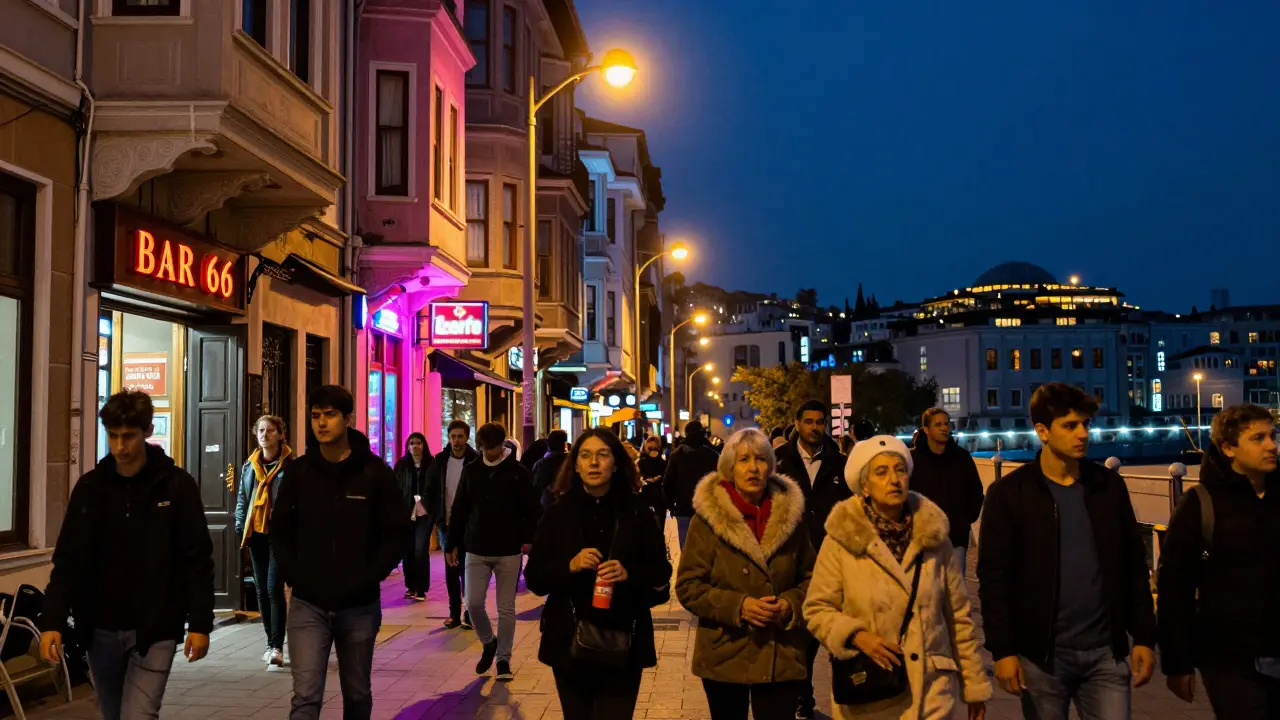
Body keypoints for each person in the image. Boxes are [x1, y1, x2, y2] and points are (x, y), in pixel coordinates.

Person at [977, 382, 1156, 718]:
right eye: (1070, 426)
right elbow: (994, 578)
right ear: (1042, 431)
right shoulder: (1009, 494)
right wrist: (1003, 651)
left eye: (1086, 425)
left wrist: (1144, 636)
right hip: (1042, 657)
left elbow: (1133, 565)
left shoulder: (1108, 487)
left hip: (1106, 652)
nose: (1083, 435)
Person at [39, 391, 214, 720]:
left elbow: (197, 558)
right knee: (113, 714)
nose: (120, 446)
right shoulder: (91, 488)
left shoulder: (176, 487)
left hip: (156, 626)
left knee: (139, 714)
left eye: (129, 436)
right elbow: (68, 561)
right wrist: (53, 621)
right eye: (113, 436)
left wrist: (200, 623)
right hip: (100, 627)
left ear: (147, 431)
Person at [804, 435, 991, 720]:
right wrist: (857, 636)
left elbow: (958, 616)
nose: (894, 479)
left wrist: (974, 684)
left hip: (931, 693)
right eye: (882, 472)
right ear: (864, 486)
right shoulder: (842, 539)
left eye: (900, 470)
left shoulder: (933, 536)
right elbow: (816, 609)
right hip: (870, 695)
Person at [271, 385, 409, 720]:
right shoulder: (299, 472)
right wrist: (294, 574)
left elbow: (395, 534)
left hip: (358, 605)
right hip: (308, 603)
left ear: (348, 419)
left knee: (357, 694)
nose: (321, 423)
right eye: (316, 415)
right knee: (305, 697)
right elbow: (281, 530)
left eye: (330, 415)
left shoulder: (374, 473)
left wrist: (367, 576)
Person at [525, 429, 672, 719]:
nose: (594, 462)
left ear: (616, 463)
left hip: (624, 640)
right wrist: (570, 566)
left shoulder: (638, 512)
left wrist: (628, 573)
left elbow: (661, 576)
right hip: (568, 641)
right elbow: (535, 578)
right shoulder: (557, 514)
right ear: (575, 464)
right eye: (586, 455)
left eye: (602, 455)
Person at [676, 428, 816, 720]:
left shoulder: (792, 517)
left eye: (761, 459)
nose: (753, 468)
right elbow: (689, 586)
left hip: (781, 651)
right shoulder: (708, 520)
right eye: (744, 460)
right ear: (730, 467)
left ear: (771, 466)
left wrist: (790, 604)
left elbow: (814, 579)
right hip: (725, 650)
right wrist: (739, 606)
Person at [1158, 404, 1280, 718]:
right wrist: (1178, 663)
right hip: (1230, 659)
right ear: (1228, 448)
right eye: (1258, 438)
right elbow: (1175, 587)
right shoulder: (1201, 503)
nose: (1272, 445)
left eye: (1273, 436)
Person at [445, 422, 541, 681]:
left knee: (506, 608)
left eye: (495, 448)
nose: (490, 453)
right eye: (486, 448)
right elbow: (460, 509)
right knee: (473, 603)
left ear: (503, 446)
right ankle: (489, 642)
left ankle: (503, 660)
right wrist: (451, 543)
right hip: (475, 547)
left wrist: (528, 539)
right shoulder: (472, 471)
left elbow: (530, 509)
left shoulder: (518, 473)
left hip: (509, 549)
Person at [774, 399, 849, 720]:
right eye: (809, 422)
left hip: (833, 560)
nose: (816, 428)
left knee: (832, 634)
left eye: (821, 422)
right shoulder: (779, 462)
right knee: (797, 634)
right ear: (797, 423)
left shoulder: (842, 463)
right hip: (792, 560)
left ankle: (846, 695)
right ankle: (802, 695)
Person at [234, 414, 293, 669]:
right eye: (260, 430)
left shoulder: (291, 467)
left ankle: (278, 645)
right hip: (256, 534)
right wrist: (239, 525)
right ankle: (270, 643)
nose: (264, 435)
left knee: (273, 588)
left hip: (280, 536)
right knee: (260, 590)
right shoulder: (250, 466)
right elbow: (242, 499)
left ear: (280, 434)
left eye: (270, 430)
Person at [909, 408, 984, 578]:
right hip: (922, 542)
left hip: (955, 540)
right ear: (926, 429)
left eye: (946, 424)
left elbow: (976, 491)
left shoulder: (962, 458)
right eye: (938, 425)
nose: (944, 428)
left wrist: (965, 519)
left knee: (955, 595)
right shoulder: (913, 461)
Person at [428, 421, 479, 630]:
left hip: (469, 525)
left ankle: (469, 613)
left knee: (468, 569)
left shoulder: (475, 461)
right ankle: (454, 614)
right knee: (451, 569)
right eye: (453, 436)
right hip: (446, 524)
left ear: (467, 437)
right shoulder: (440, 461)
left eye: (460, 436)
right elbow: (431, 489)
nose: (456, 441)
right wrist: (435, 516)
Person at [662, 421, 720, 548]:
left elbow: (668, 483)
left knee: (686, 547)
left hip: (684, 509)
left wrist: (671, 505)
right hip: (706, 509)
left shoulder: (677, 455)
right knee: (706, 548)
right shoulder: (712, 454)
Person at [394, 433, 433, 602]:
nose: (415, 446)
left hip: (424, 512)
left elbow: (435, 488)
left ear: (424, 445)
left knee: (420, 549)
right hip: (406, 511)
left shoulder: (431, 464)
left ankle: (421, 588)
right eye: (411, 443)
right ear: (407, 446)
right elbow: (395, 487)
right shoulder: (402, 465)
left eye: (418, 443)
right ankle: (411, 586)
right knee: (408, 550)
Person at [532, 429, 570, 508]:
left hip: (545, 507)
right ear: (565, 444)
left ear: (548, 444)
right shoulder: (572, 463)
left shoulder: (541, 464)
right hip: (568, 507)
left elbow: (533, 487)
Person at [637, 435, 669, 529]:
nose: (652, 451)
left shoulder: (663, 463)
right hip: (645, 496)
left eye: (655, 448)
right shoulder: (642, 462)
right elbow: (637, 476)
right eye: (650, 448)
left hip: (659, 497)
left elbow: (666, 478)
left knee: (659, 523)